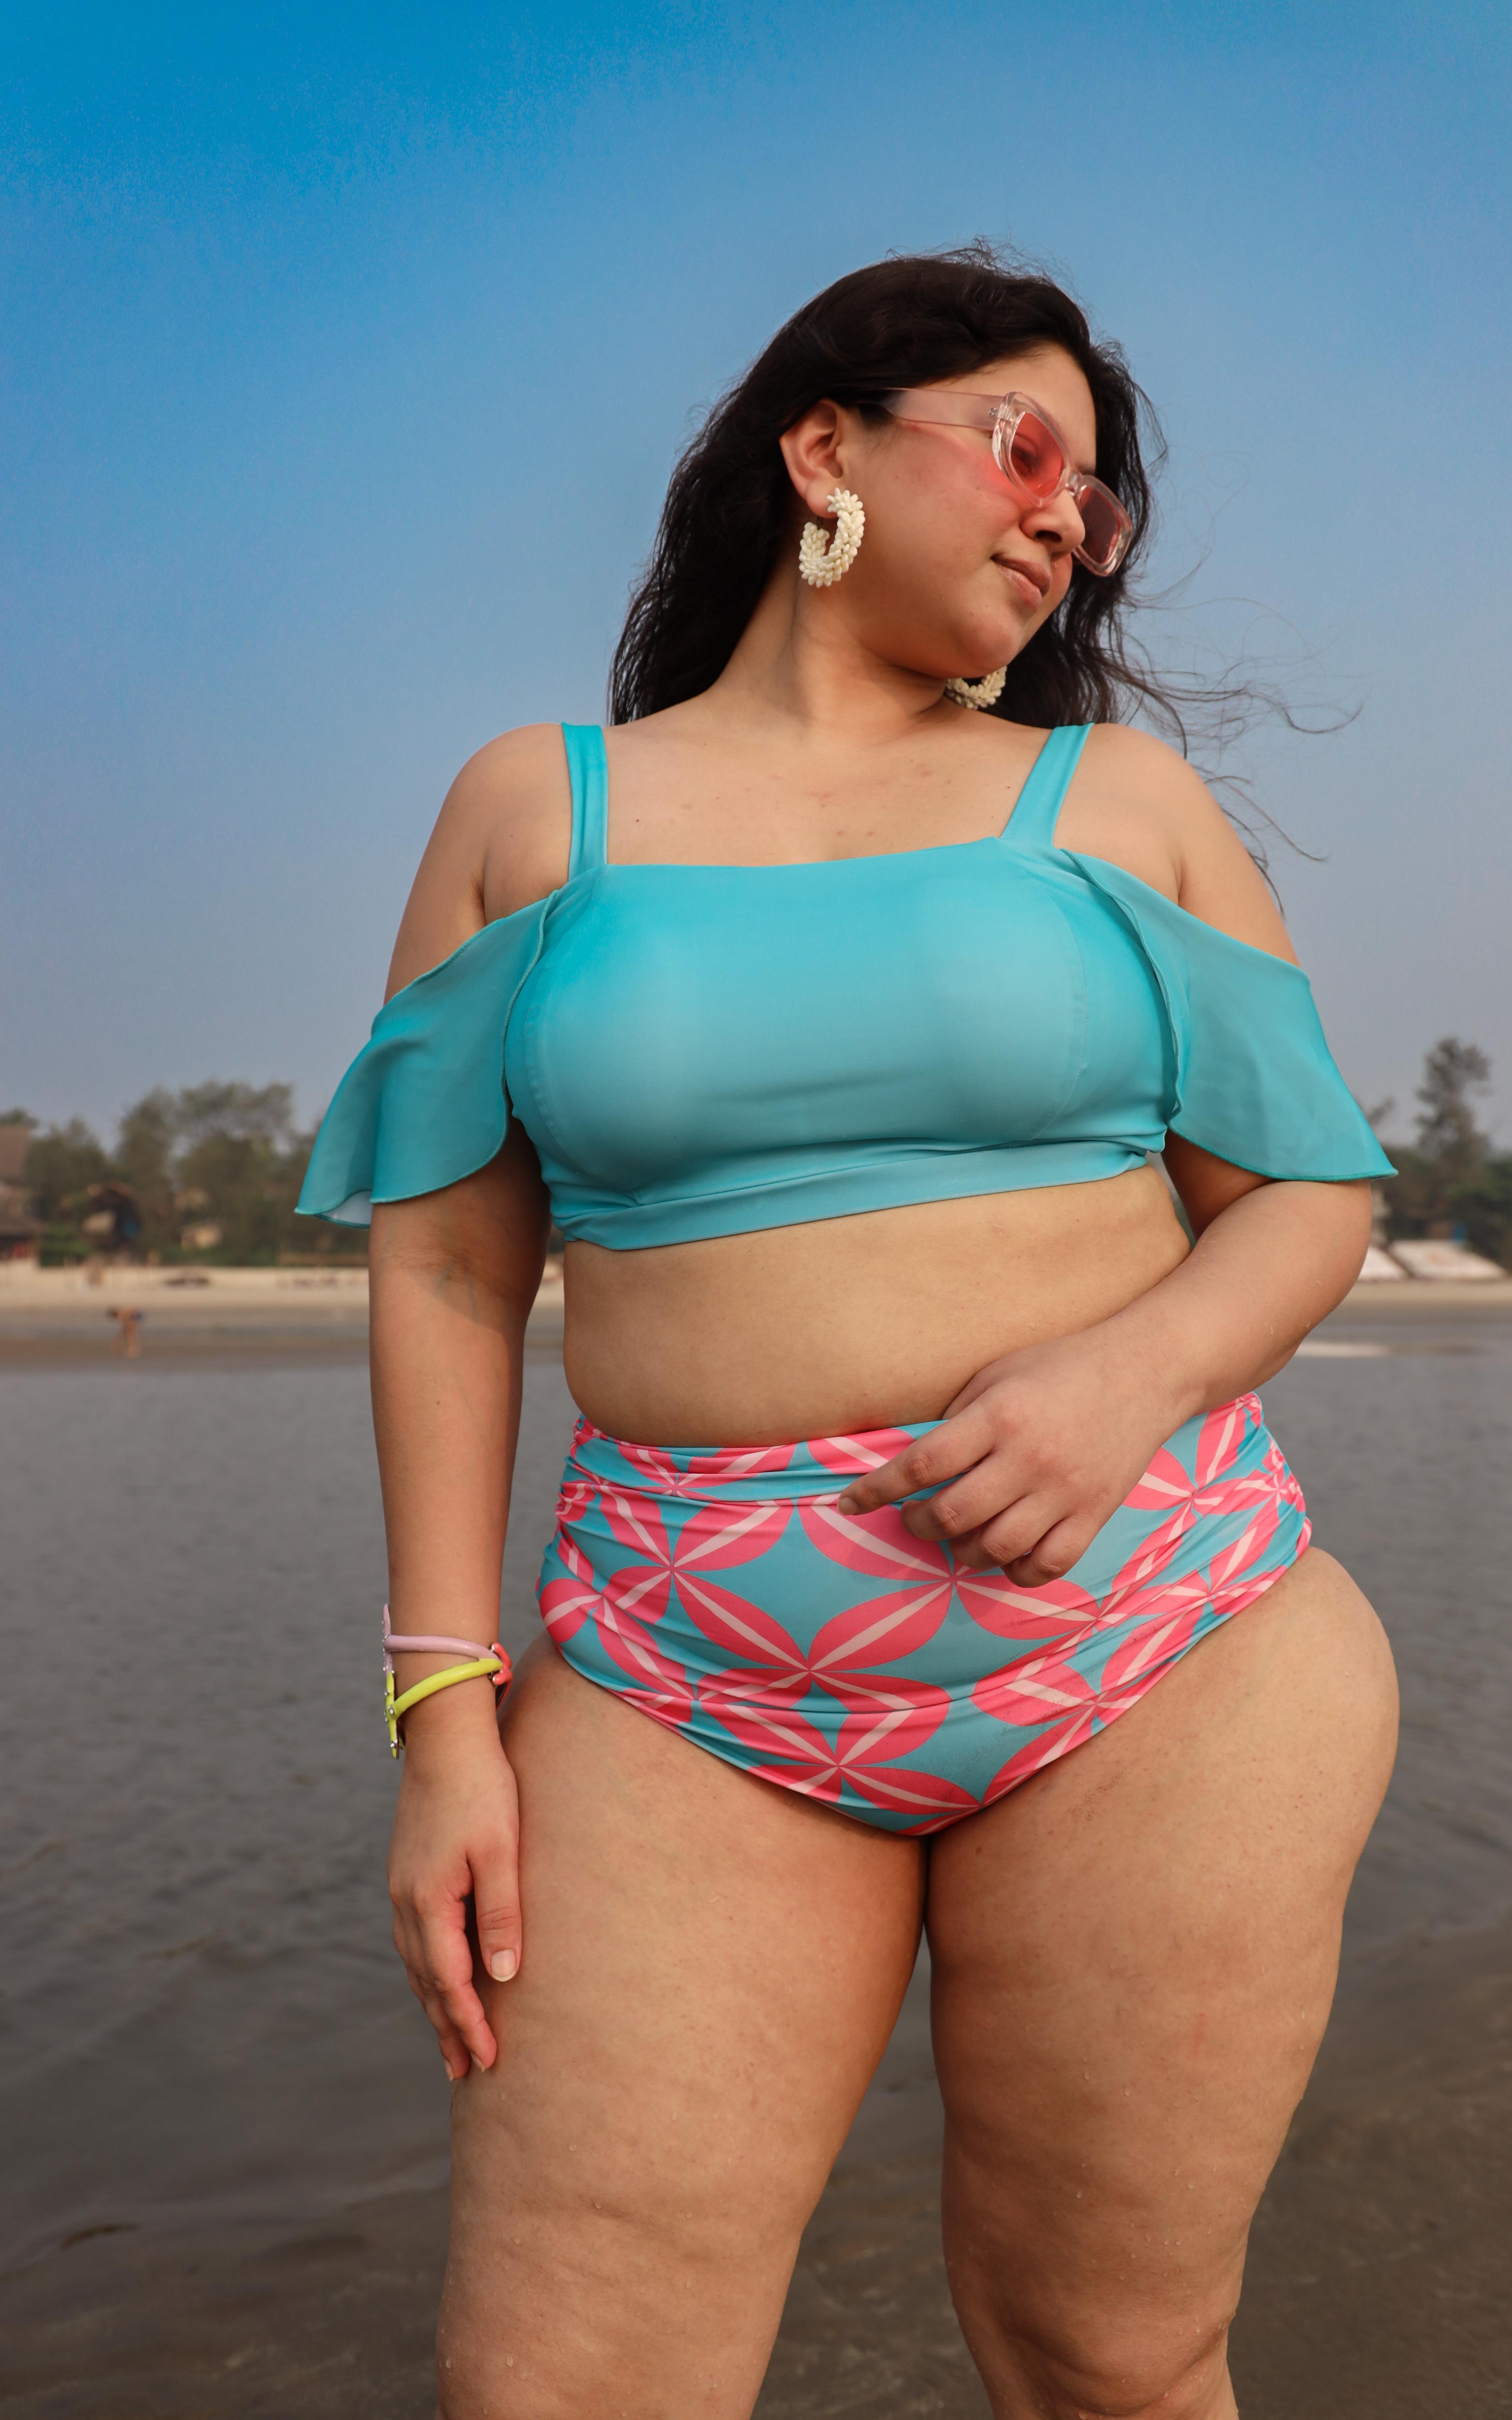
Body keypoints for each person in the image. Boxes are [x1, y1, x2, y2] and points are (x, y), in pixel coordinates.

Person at [300, 248, 1399, 2420]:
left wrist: (1131, 1374)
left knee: (1112, 2355)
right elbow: (444, 1269)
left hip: (1161, 1641)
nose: (1061, 518)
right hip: (677, 1670)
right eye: (1023, 448)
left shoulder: (1119, 807)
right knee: (558, 2383)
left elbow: (1315, 1193)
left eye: (1090, 503)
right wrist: (444, 1715)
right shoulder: (540, 809)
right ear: (826, 446)